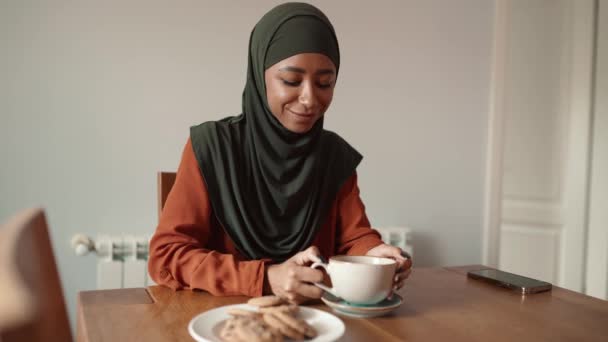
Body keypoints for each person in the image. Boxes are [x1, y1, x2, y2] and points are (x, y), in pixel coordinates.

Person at [148, 2, 412, 303]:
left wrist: (375, 254)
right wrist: (266, 277)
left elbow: (353, 237)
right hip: (223, 321)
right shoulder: (211, 147)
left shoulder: (333, 157)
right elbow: (167, 256)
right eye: (291, 81)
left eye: (325, 82)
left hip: (316, 325)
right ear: (260, 77)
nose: (310, 98)